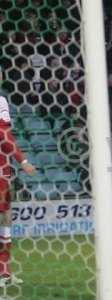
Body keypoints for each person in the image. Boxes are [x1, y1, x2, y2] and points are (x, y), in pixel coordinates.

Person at [0, 94, 36, 287]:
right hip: (0, 171)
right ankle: (4, 272)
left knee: (6, 218)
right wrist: (23, 160)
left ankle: (4, 273)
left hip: (3, 169)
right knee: (5, 219)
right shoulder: (1, 101)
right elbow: (4, 133)